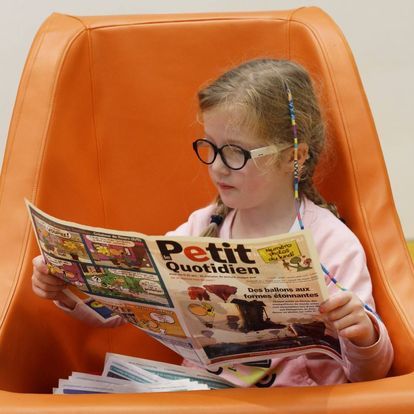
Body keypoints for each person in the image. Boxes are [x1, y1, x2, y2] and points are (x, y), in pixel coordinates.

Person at [32, 58, 393, 387]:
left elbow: (370, 375)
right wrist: (68, 285)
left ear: (293, 158)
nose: (217, 167)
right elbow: (122, 309)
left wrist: (364, 336)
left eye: (236, 153)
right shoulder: (202, 225)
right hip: (206, 400)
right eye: (211, 147)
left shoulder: (331, 242)